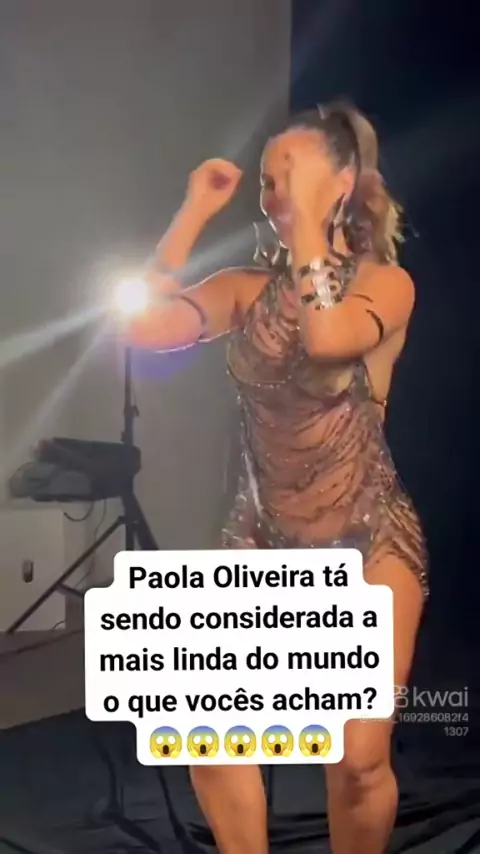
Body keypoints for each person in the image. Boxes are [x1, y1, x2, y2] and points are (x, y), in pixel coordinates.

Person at [123, 100, 428, 854]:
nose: (275, 190)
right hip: (262, 535)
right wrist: (194, 211)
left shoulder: (386, 284)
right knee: (205, 732)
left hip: (367, 539)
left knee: (356, 762)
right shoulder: (244, 290)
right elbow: (140, 326)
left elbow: (327, 339)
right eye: (268, 178)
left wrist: (310, 230)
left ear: (344, 182)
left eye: (292, 172)